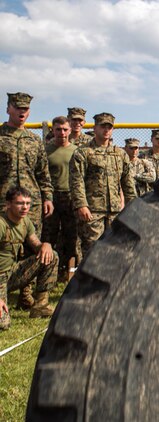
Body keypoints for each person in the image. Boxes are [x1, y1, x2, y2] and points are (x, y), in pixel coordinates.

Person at [0, 92, 54, 309]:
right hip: (4, 203)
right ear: (8, 109)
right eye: (17, 108)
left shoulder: (34, 140)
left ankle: (28, 296)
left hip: (31, 204)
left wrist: (48, 197)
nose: (22, 112)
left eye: (26, 109)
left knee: (35, 248)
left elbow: (43, 173)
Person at [70, 113, 136, 257]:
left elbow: (128, 183)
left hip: (115, 211)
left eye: (109, 127)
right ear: (95, 128)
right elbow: (77, 181)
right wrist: (81, 205)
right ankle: (88, 280)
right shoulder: (83, 152)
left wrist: (133, 207)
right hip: (92, 211)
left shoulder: (120, 154)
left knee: (115, 249)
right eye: (102, 126)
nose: (106, 130)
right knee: (92, 251)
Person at [0, 186, 59, 330]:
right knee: (3, 324)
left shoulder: (25, 221)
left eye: (27, 203)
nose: (25, 207)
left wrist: (45, 245)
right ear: (8, 204)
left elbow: (35, 244)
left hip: (12, 273)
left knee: (51, 256)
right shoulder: (1, 223)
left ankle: (41, 306)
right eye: (20, 203)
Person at [42, 116, 80, 283]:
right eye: (58, 129)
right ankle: (49, 275)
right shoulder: (45, 150)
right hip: (51, 198)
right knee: (49, 237)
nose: (62, 133)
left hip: (70, 197)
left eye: (65, 129)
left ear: (70, 130)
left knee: (71, 237)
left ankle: (69, 274)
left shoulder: (77, 151)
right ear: (53, 130)